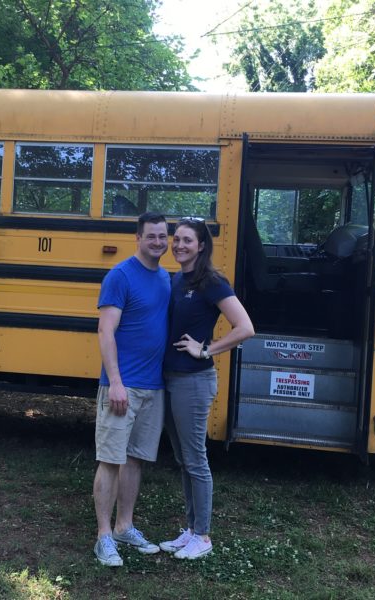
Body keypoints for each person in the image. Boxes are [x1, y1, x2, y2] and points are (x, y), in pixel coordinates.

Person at [159, 217, 254, 560]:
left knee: (195, 459)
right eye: (177, 239)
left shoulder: (211, 281)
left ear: (201, 246)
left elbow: (245, 327)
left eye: (187, 240)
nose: (179, 245)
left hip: (193, 381)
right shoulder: (175, 280)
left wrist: (206, 349)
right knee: (184, 459)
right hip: (169, 378)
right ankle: (190, 530)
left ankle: (203, 535)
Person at [92, 212, 171, 567]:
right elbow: (106, 331)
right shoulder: (120, 275)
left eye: (162, 236)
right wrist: (116, 383)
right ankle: (104, 536)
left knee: (135, 460)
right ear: (137, 238)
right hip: (123, 387)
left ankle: (125, 526)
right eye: (151, 236)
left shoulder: (166, 278)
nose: (158, 242)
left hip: (153, 387)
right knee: (110, 460)